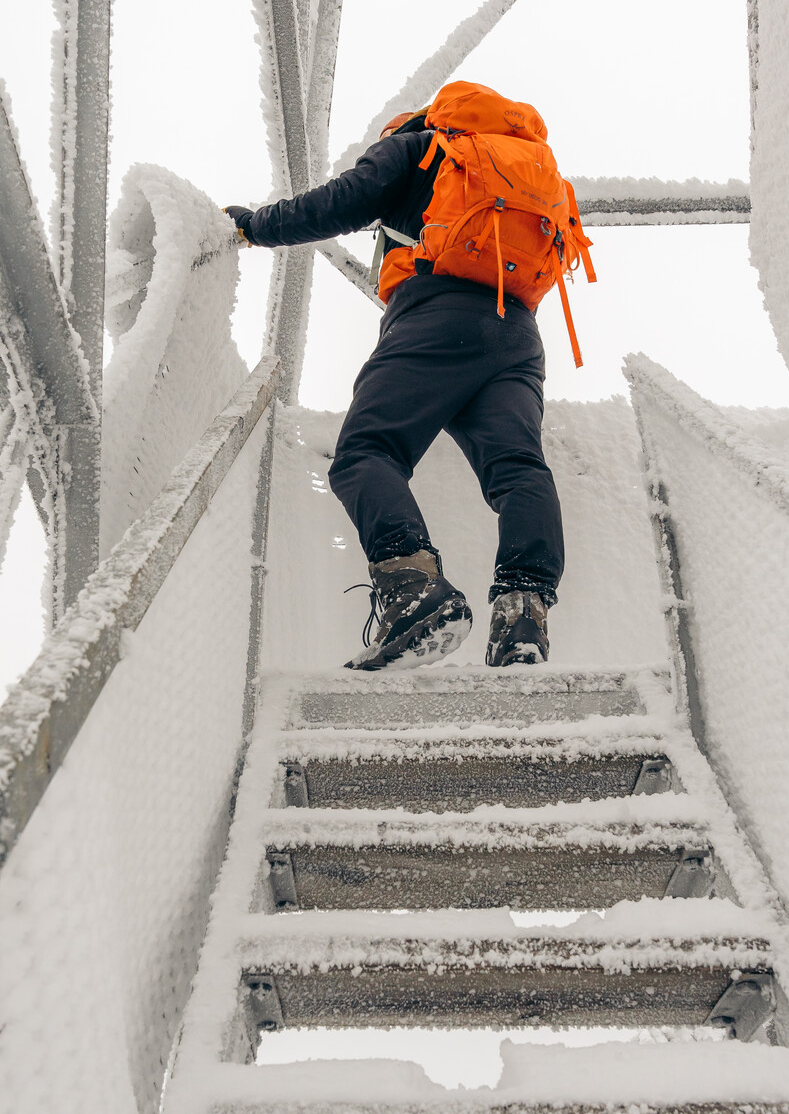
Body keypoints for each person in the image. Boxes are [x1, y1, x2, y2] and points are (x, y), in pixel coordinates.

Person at [225, 80, 592, 672]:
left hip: (437, 317)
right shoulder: (530, 170)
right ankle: (522, 615)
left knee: (366, 453)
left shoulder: (419, 147)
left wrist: (251, 225)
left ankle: (412, 591)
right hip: (517, 335)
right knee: (518, 468)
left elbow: (335, 203)